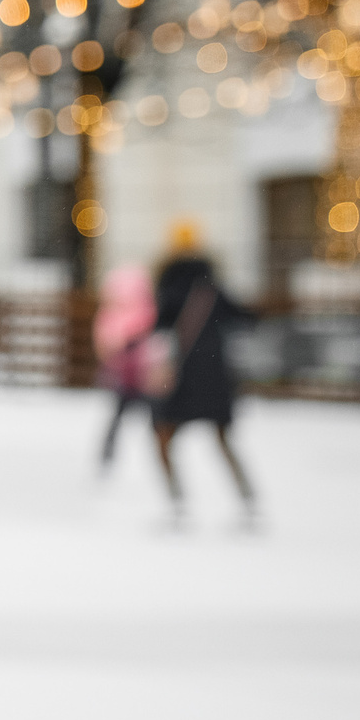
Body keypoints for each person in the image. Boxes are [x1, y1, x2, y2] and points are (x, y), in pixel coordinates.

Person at [148, 220, 255, 520]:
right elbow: (245, 318)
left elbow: (158, 330)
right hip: (215, 378)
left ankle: (176, 500)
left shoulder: (168, 286)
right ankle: (247, 497)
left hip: (181, 378)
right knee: (222, 439)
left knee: (163, 437)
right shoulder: (212, 287)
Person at [93, 264, 155, 469]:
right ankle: (154, 453)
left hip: (129, 375)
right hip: (140, 375)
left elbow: (105, 343)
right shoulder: (146, 311)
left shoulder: (113, 314)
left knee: (120, 415)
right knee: (149, 416)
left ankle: (109, 452)